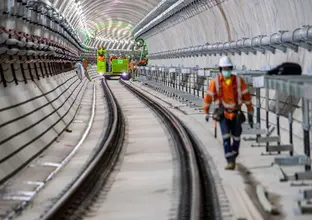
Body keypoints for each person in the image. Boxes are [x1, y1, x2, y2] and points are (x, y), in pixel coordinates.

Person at [202, 56, 254, 170]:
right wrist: (206, 112)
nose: (226, 71)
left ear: (231, 68)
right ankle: (230, 161)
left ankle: (234, 153)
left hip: (236, 114)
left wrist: (250, 111)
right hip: (223, 114)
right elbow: (208, 98)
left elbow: (247, 97)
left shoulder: (239, 82)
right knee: (226, 137)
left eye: (228, 68)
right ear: (220, 70)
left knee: (236, 137)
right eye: (224, 69)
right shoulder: (215, 82)